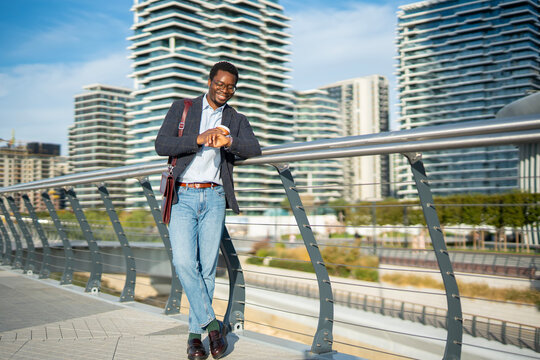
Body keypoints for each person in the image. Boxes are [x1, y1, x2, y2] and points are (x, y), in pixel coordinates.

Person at [155, 61, 261, 360]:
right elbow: (161, 144)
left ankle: (194, 339)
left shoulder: (235, 118)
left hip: (214, 197)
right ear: (210, 81)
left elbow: (254, 149)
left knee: (208, 270)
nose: (225, 90)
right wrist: (199, 139)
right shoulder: (183, 108)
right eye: (220, 83)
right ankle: (213, 327)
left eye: (230, 86)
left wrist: (230, 142)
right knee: (185, 263)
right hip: (182, 196)